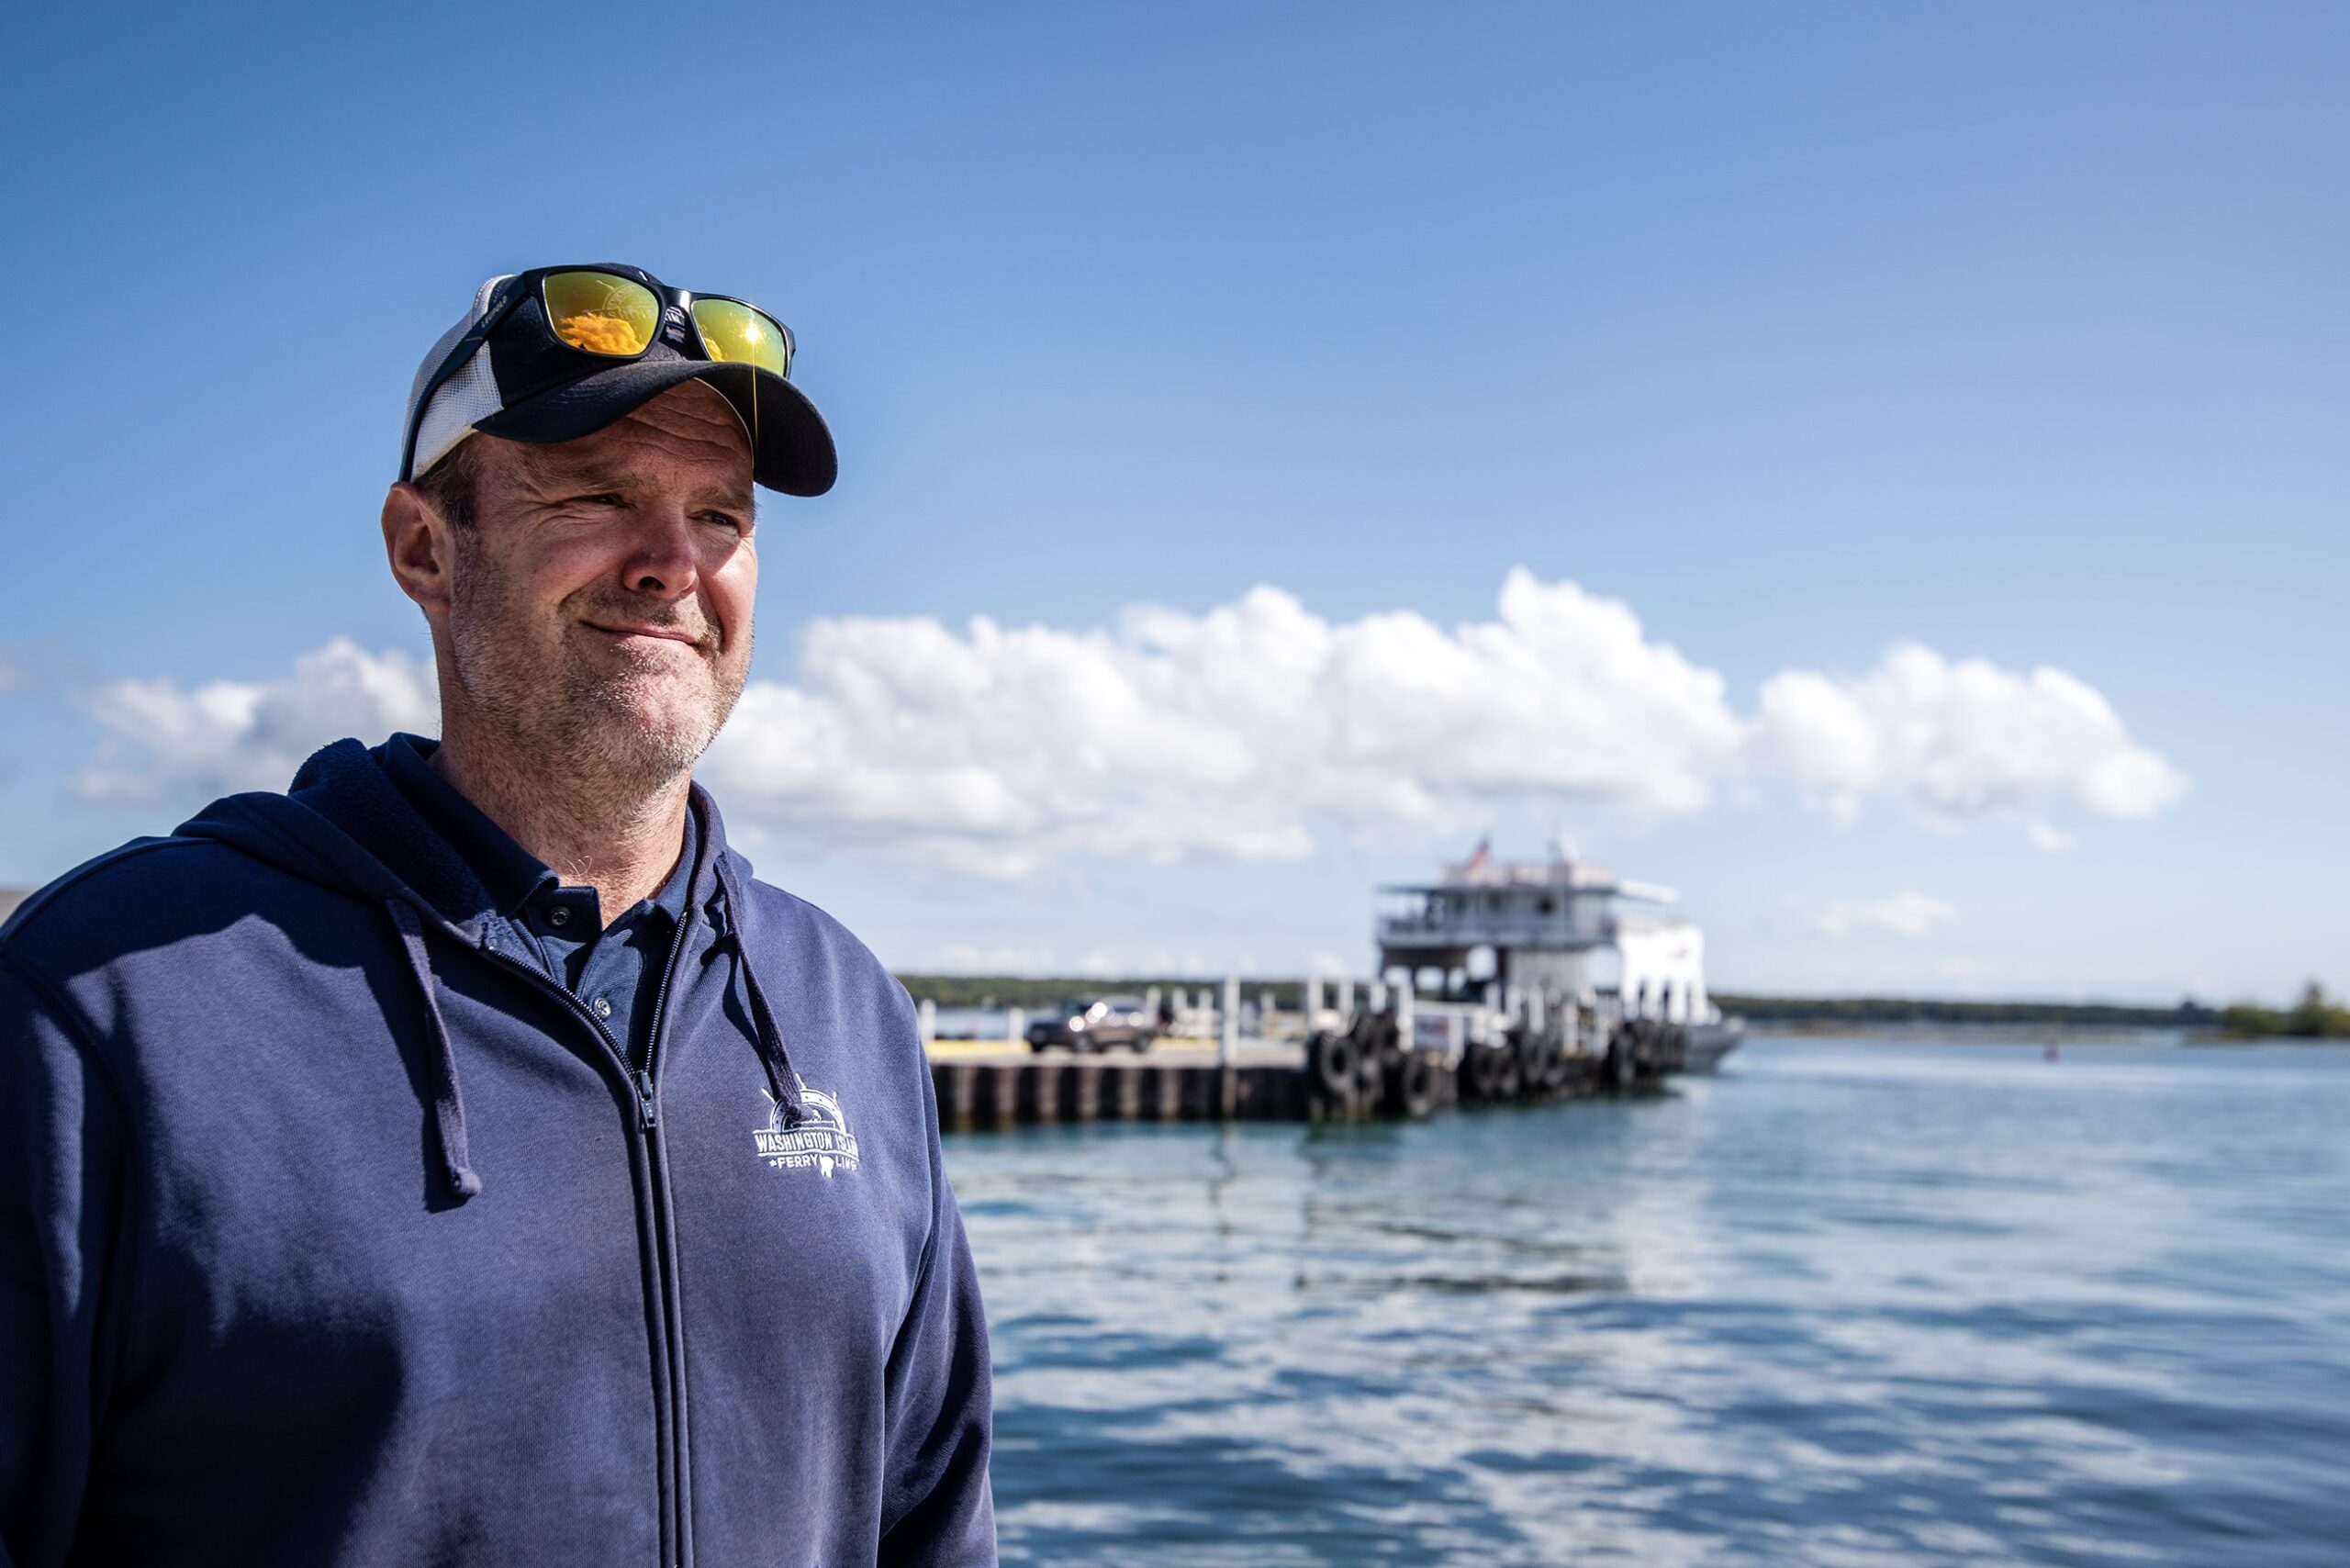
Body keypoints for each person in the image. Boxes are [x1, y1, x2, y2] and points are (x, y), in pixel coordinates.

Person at [0, 263, 995, 1565]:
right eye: (597, 496)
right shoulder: (111, 1001)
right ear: (425, 548)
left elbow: (933, 1527)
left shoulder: (842, 1010)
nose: (672, 565)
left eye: (720, 516)